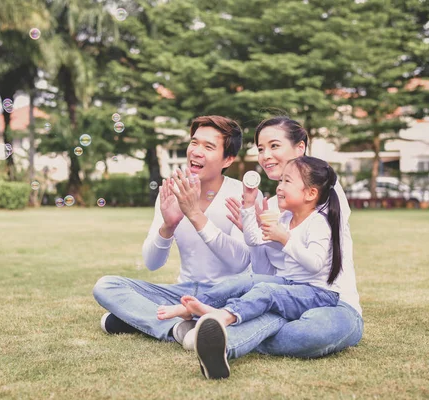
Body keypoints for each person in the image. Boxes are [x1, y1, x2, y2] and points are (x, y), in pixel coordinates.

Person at [169, 116, 363, 379]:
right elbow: (264, 271)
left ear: (300, 148)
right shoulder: (274, 205)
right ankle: (215, 330)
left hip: (332, 302)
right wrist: (248, 225)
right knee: (255, 287)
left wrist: (282, 237)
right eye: (260, 148)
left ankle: (210, 331)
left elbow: (315, 261)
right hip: (285, 296)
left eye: (274, 146)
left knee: (310, 333)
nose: (265, 155)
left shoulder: (325, 190)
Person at [92, 115, 261, 343]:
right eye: (194, 142)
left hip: (229, 294)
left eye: (208, 146)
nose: (196, 151)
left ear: (228, 159)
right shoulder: (172, 193)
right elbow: (152, 263)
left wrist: (195, 215)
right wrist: (168, 226)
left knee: (116, 317)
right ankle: (178, 328)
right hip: (184, 293)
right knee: (107, 286)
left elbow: (240, 262)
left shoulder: (244, 195)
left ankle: (140, 319)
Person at [158, 156, 343, 335]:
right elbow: (254, 240)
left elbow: (315, 264)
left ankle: (225, 316)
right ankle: (189, 308)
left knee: (266, 291)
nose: (279, 187)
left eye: (287, 181)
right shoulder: (286, 219)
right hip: (290, 284)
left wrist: (285, 239)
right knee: (245, 280)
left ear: (311, 193)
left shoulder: (318, 222)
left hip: (318, 294)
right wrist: (248, 203)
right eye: (280, 181)